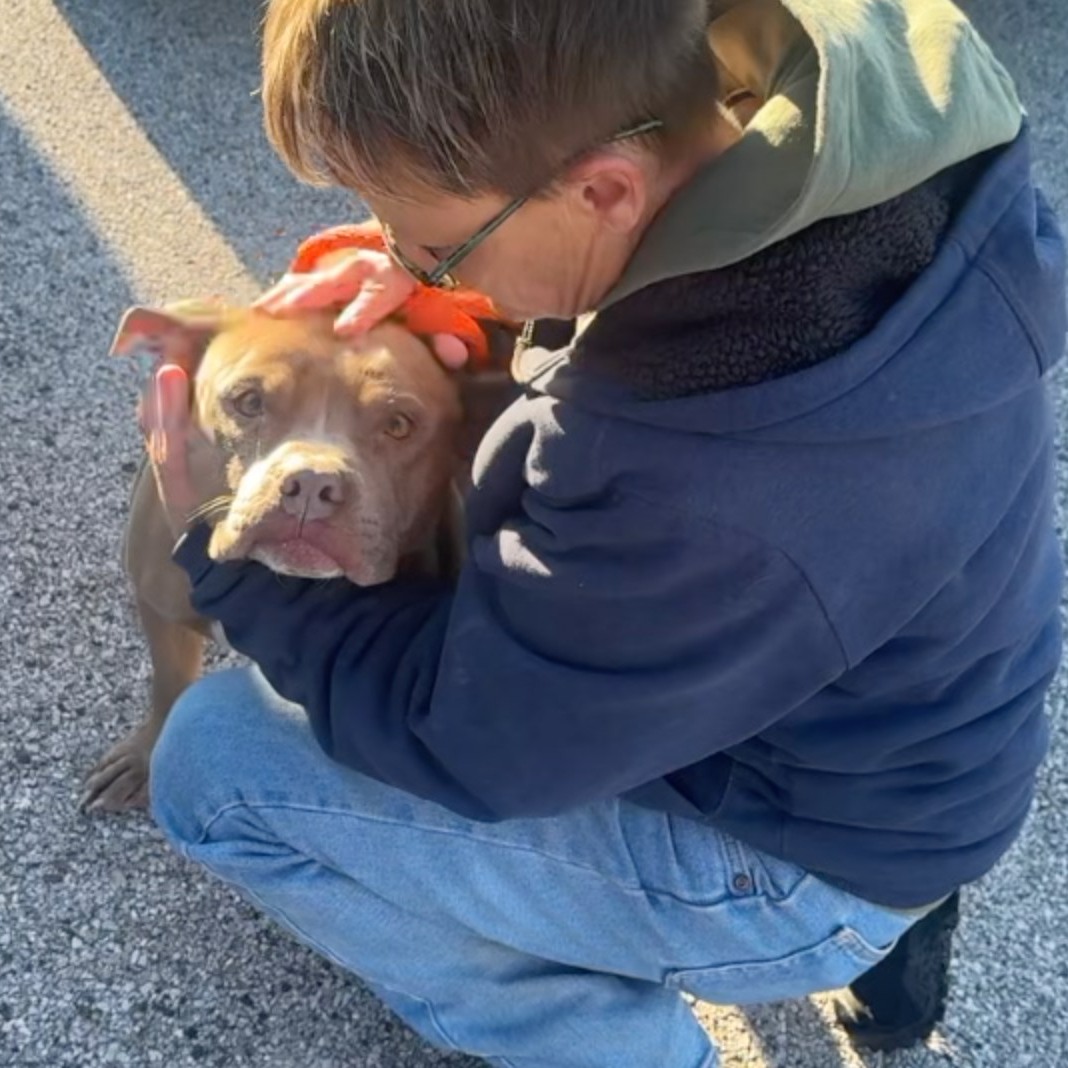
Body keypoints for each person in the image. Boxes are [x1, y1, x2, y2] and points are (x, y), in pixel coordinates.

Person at [141, 1, 1067, 1066]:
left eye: (438, 243)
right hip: (917, 735)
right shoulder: (854, 106)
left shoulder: (691, 474)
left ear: (604, 190)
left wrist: (229, 555)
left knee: (216, 763)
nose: (409, 262)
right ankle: (890, 958)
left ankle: (628, 1043)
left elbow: (473, 746)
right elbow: (621, 256)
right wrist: (460, 295)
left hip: (803, 854)